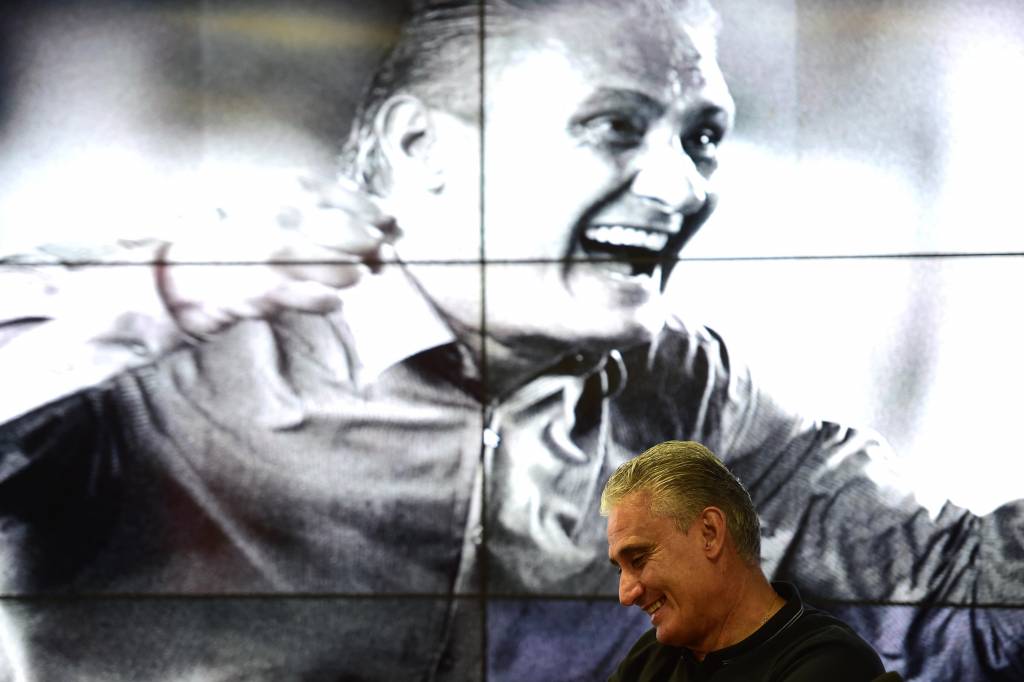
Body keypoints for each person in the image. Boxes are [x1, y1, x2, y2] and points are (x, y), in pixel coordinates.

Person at [0, 0, 1020, 680]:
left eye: (701, 137)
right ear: (421, 150)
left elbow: (951, 610)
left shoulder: (688, 385)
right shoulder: (157, 347)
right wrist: (153, 301)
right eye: (614, 129)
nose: (680, 188)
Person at [603, 440, 885, 681]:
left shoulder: (832, 663)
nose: (626, 595)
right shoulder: (650, 658)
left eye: (638, 559)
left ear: (709, 534)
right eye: (620, 571)